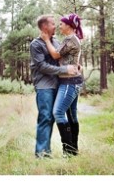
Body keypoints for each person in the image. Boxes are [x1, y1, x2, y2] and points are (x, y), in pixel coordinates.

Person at [30, 14, 78, 159]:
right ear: (44, 27)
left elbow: (60, 58)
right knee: (46, 117)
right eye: (52, 23)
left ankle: (70, 151)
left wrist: (75, 66)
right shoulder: (36, 44)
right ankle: (42, 153)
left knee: (66, 115)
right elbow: (42, 66)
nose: (55, 25)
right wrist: (64, 70)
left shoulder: (56, 41)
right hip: (44, 86)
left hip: (60, 84)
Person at [42, 13, 84, 156]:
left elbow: (55, 55)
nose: (59, 26)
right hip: (73, 80)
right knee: (71, 116)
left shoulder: (71, 39)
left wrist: (47, 40)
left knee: (58, 112)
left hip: (69, 82)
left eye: (61, 23)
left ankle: (68, 150)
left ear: (68, 25)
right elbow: (70, 58)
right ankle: (74, 151)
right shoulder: (71, 39)